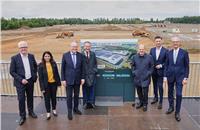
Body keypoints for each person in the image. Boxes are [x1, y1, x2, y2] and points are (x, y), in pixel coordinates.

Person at [10, 41, 38, 125]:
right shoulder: (14, 58)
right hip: (20, 82)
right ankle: (22, 116)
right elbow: (12, 71)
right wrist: (21, 79)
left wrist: (34, 76)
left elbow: (35, 66)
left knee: (30, 97)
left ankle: (31, 112)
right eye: (21, 47)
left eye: (25, 47)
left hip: (30, 81)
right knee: (21, 99)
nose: (23, 49)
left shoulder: (31, 56)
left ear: (27, 47)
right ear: (19, 49)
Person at [164, 36, 189, 122]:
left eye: (177, 42)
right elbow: (166, 65)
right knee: (170, 93)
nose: (175, 43)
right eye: (174, 42)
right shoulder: (168, 53)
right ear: (172, 43)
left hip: (180, 77)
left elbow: (186, 66)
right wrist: (165, 76)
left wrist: (185, 77)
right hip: (170, 76)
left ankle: (177, 112)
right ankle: (171, 107)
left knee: (179, 94)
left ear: (179, 43)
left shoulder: (184, 53)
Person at [61, 41, 85, 120]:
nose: (74, 48)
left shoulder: (80, 55)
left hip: (78, 80)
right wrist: (63, 79)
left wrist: (82, 78)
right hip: (68, 80)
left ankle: (76, 109)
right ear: (70, 47)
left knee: (77, 96)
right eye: (73, 47)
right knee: (69, 96)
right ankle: (69, 112)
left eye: (76, 47)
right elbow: (62, 69)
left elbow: (82, 68)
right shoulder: (65, 55)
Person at [38, 51, 61, 120]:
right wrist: (42, 88)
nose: (47, 57)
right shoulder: (41, 65)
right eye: (45, 56)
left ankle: (54, 109)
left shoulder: (53, 63)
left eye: (48, 56)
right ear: (43, 57)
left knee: (54, 98)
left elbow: (56, 74)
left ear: (50, 57)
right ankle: (48, 112)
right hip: (46, 85)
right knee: (47, 99)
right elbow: (40, 78)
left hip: (53, 84)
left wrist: (59, 83)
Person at [131, 44, 154, 112]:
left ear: (145, 49)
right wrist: (134, 72)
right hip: (137, 78)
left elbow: (152, 66)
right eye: (140, 49)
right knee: (139, 92)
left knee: (145, 92)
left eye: (142, 49)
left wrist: (148, 73)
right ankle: (141, 102)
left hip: (145, 78)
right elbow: (132, 65)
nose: (141, 50)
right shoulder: (134, 57)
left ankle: (145, 104)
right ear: (138, 49)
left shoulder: (149, 57)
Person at [149, 36, 168, 109]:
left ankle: (160, 101)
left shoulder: (166, 51)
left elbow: (167, 62)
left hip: (161, 72)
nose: (158, 42)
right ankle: (155, 98)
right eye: (157, 41)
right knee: (155, 86)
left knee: (160, 86)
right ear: (154, 42)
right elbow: (150, 60)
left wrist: (161, 65)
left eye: (159, 41)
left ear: (161, 41)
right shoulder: (152, 50)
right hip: (153, 72)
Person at [82, 41, 98, 109]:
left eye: (88, 46)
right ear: (84, 47)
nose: (87, 47)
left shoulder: (93, 54)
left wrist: (94, 71)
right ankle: (85, 103)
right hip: (84, 76)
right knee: (85, 90)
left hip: (92, 75)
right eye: (86, 46)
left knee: (93, 90)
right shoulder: (81, 55)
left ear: (90, 47)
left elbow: (95, 64)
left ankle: (92, 103)